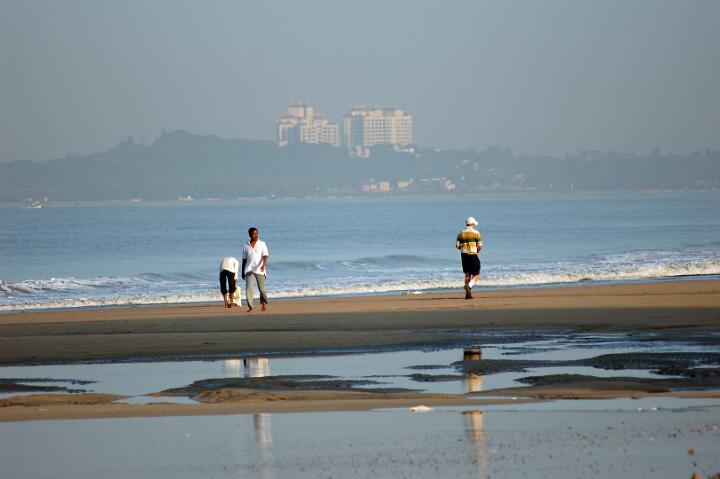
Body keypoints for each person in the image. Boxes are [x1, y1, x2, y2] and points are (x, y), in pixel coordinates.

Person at [242, 227, 270, 312]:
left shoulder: (262, 244)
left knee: (261, 289)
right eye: (254, 234)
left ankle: (264, 303)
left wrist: (263, 265)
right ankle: (250, 306)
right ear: (250, 235)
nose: (256, 235)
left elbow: (265, 255)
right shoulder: (246, 245)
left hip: (259, 270)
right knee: (249, 288)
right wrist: (242, 271)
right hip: (249, 270)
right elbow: (244, 259)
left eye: (257, 233)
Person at [456, 216, 483, 299]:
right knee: (476, 274)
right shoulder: (476, 233)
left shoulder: (461, 233)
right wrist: (476, 251)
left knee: (467, 274)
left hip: (464, 255)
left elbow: (457, 246)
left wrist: (464, 248)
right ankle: (469, 285)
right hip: (473, 254)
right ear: (472, 224)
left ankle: (468, 294)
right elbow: (480, 245)